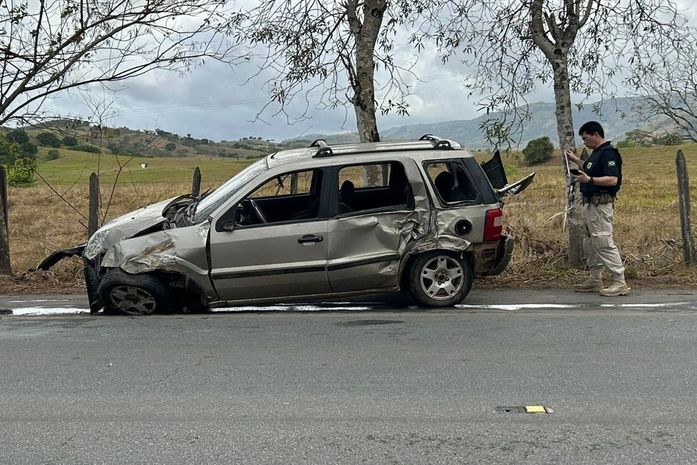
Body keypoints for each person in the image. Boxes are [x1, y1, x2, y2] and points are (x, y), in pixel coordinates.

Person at [564, 121, 630, 297]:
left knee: (603, 241)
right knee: (591, 243)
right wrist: (578, 161)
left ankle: (619, 281)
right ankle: (595, 279)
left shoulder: (608, 153)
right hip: (591, 204)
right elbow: (590, 168)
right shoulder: (596, 155)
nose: (584, 142)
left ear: (595, 134)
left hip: (601, 204)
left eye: (586, 138)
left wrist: (590, 181)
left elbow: (612, 179)